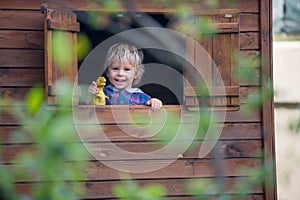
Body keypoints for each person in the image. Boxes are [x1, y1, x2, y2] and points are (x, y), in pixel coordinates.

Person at [88, 43, 162, 111]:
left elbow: (151, 105)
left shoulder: (140, 96)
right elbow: (89, 111)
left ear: (136, 74)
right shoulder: (104, 92)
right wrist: (91, 95)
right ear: (107, 72)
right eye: (115, 69)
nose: (120, 73)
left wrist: (155, 102)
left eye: (127, 69)